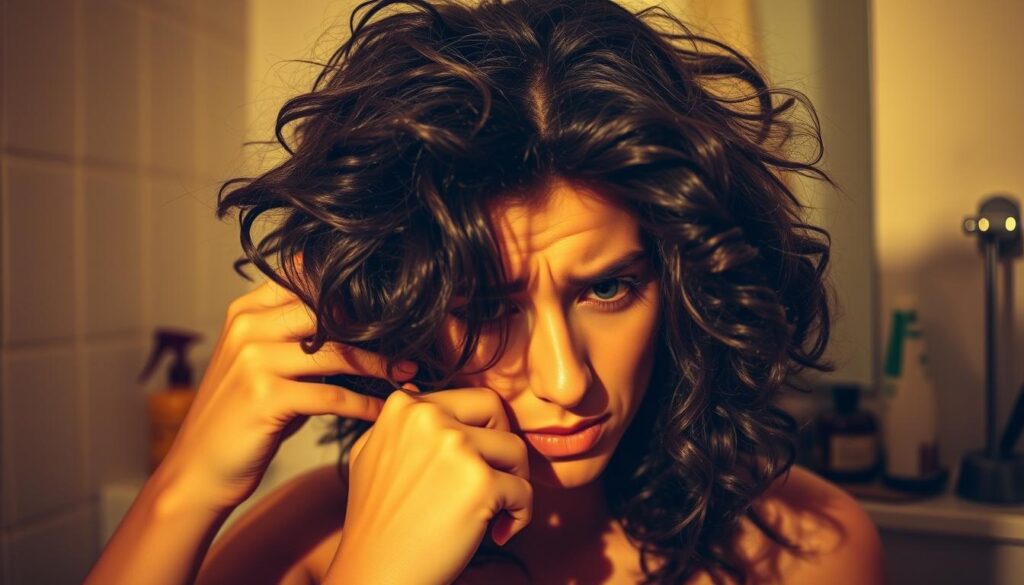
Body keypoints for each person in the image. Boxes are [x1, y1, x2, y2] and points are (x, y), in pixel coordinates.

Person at [85, 0, 887, 583]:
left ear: (682, 279)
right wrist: (187, 486)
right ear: (407, 305)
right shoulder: (308, 545)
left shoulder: (803, 548)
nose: (567, 380)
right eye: (484, 307)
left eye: (607, 288)